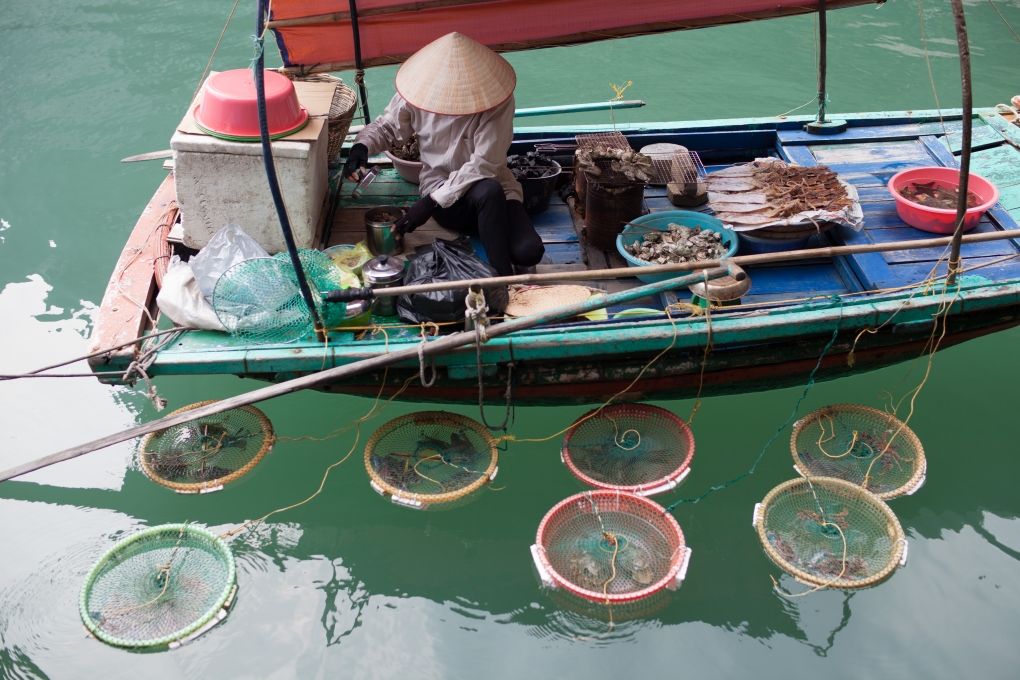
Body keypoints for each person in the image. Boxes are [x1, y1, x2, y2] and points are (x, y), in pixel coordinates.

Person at [344, 32, 544, 276]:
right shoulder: (418, 92)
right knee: (488, 198)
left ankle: (494, 260)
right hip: (445, 196)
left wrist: (428, 203)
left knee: (528, 250)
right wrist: (361, 146)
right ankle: (501, 282)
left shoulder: (497, 101)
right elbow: (387, 128)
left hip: (492, 192)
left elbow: (485, 164)